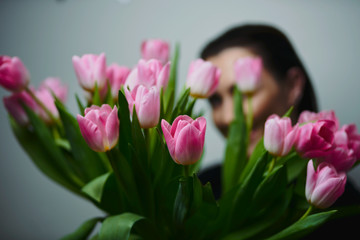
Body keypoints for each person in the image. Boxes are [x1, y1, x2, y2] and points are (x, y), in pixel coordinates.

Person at [197, 24, 360, 238]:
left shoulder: (337, 202)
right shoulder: (201, 187)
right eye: (215, 100)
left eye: (244, 94)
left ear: (293, 85)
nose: (228, 117)